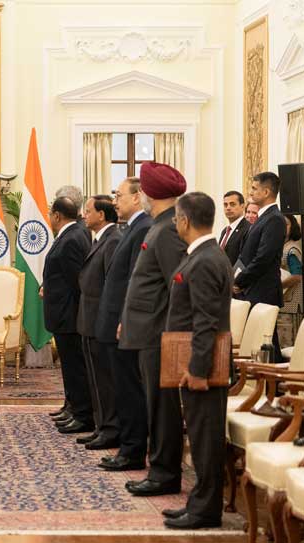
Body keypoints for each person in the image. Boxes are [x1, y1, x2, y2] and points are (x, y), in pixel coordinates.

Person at [161, 192, 231, 530]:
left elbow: (206, 321)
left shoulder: (204, 260)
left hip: (201, 366)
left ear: (186, 220)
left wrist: (198, 369)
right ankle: (200, 502)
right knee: (202, 436)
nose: (175, 223)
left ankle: (205, 511)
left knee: (205, 438)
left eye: (176, 218)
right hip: (193, 360)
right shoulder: (203, 255)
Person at [120, 162, 187, 497]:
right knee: (155, 404)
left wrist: (167, 334)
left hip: (158, 334)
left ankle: (164, 474)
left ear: (148, 194)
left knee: (162, 408)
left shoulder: (169, 228)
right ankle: (160, 468)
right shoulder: (160, 225)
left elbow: (177, 286)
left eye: (142, 190)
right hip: (148, 332)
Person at [96, 177, 152, 472]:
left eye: (119, 195)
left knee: (129, 389)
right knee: (122, 388)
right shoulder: (131, 227)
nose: (114, 201)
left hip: (123, 324)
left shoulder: (143, 227)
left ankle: (132, 451)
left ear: (137, 197)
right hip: (115, 321)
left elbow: (134, 281)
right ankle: (127, 447)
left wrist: (122, 320)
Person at [42, 197, 93, 434]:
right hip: (64, 312)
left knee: (75, 367)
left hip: (69, 314)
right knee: (69, 366)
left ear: (57, 215)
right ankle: (71, 406)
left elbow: (77, 280)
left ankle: (82, 415)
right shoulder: (71, 234)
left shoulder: (72, 238)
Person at [77, 195, 121, 450]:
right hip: (89, 318)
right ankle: (100, 425)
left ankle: (110, 428)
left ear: (102, 215)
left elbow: (111, 285)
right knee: (95, 378)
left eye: (89, 211)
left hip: (100, 321)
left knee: (105, 379)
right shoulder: (100, 239)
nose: (84, 215)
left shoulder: (113, 240)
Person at [234, 172, 287, 360]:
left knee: (266, 343)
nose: (250, 191)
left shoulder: (275, 219)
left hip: (263, 289)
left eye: (254, 188)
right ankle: (273, 386)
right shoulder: (263, 217)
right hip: (254, 287)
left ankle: (276, 386)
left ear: (266, 192)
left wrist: (240, 280)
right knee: (263, 343)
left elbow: (263, 258)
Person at [278, 214, 303, 347]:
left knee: (288, 346)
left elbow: (297, 276)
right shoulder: (281, 246)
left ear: (292, 227)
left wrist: (277, 286)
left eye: (286, 224)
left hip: (291, 305)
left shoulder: (291, 249)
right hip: (282, 303)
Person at [218, 191, 250, 266]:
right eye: (225, 205)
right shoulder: (225, 231)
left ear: (242, 206)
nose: (228, 208)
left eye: (232, 204)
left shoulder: (248, 229)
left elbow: (244, 260)